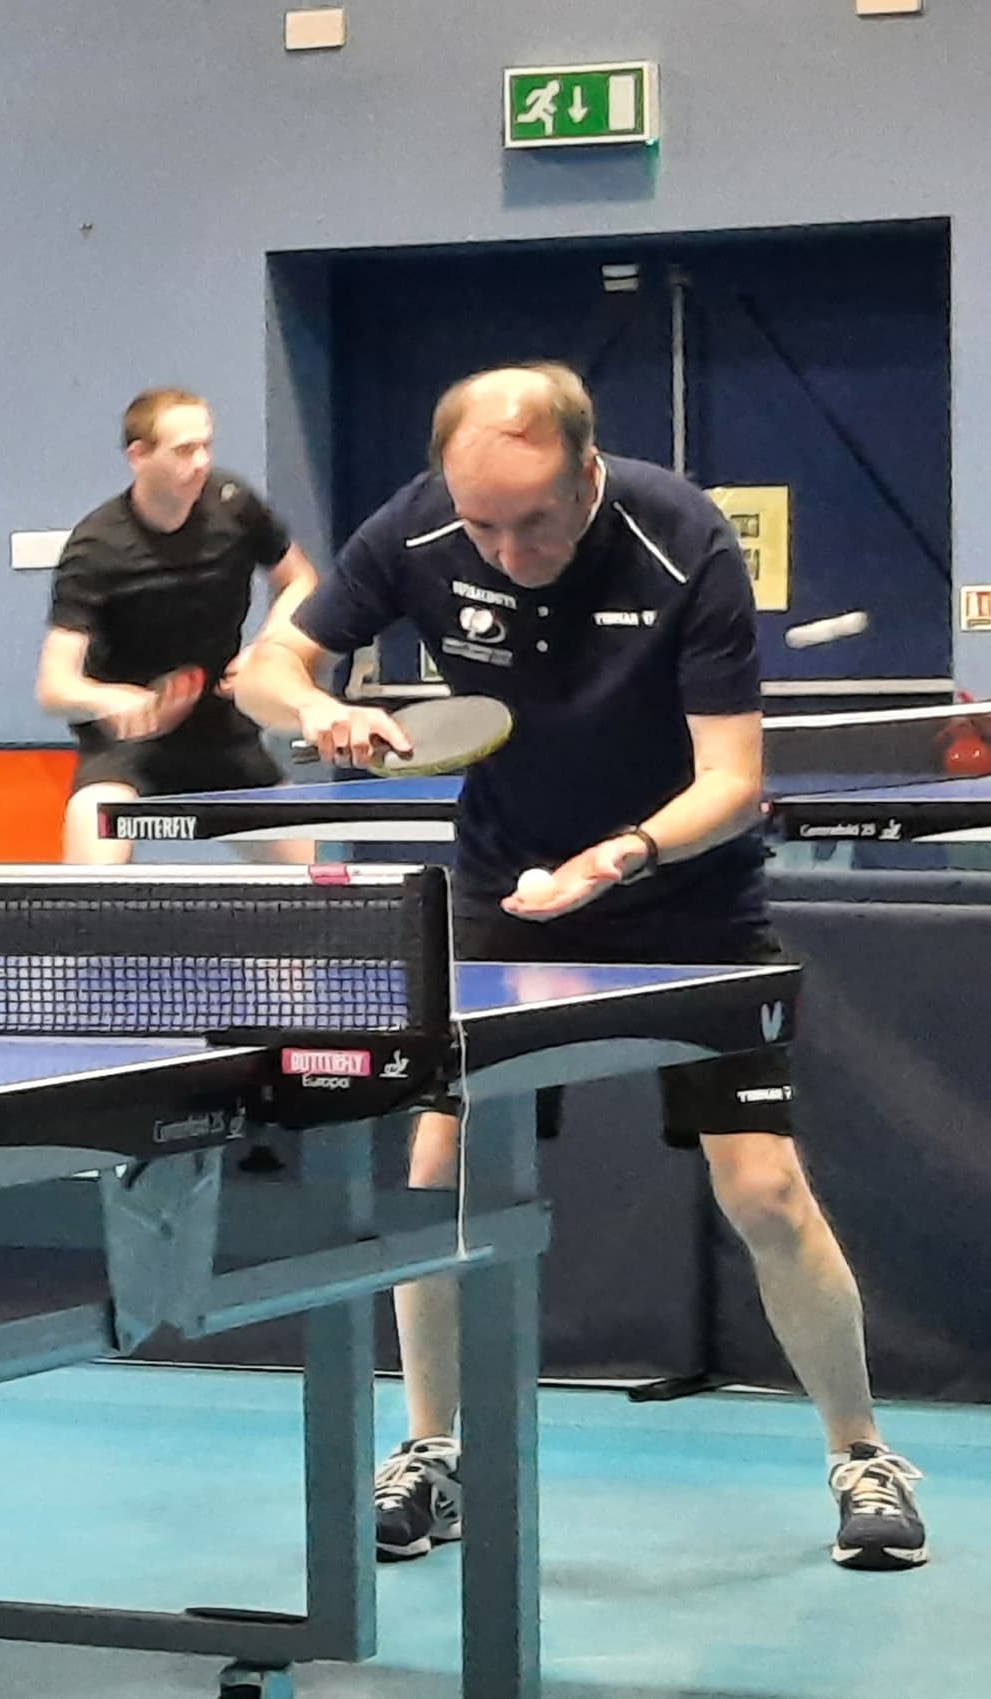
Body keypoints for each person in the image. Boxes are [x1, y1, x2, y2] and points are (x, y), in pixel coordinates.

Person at [234, 362, 927, 1573]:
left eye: (535, 519)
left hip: (687, 899)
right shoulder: (419, 526)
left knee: (763, 1190)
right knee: (437, 1170)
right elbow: (267, 666)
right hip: (504, 895)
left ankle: (862, 1454)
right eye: (483, 524)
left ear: (590, 471)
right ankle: (432, 1453)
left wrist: (623, 856)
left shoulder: (683, 541)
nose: (504, 550)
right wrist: (318, 713)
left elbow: (733, 781)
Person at [35, 387, 318, 863]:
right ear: (138, 456)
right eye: (184, 450)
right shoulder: (96, 547)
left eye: (206, 445)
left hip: (223, 733)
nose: (202, 462)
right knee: (90, 830)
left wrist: (268, 650)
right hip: (130, 744)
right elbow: (54, 685)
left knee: (312, 877)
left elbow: (301, 580)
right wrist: (107, 697)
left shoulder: (235, 507)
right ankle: (86, 935)